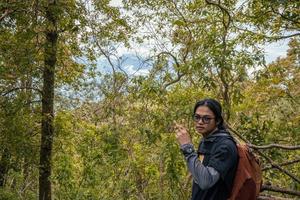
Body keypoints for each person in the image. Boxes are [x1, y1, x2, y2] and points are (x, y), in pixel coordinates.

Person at [175, 98, 238, 200]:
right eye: (197, 117)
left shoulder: (225, 146)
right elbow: (198, 175)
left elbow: (205, 181)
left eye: (206, 118)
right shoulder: (206, 141)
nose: (200, 122)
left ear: (217, 120)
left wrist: (187, 148)